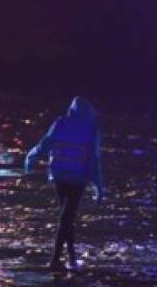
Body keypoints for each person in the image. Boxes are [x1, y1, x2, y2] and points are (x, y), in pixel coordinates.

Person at [24, 96, 104, 272]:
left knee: (66, 216)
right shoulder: (91, 129)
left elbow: (45, 144)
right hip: (78, 178)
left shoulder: (60, 123)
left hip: (59, 175)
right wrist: (98, 186)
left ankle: (71, 256)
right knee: (67, 216)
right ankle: (56, 259)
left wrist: (31, 158)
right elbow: (94, 160)